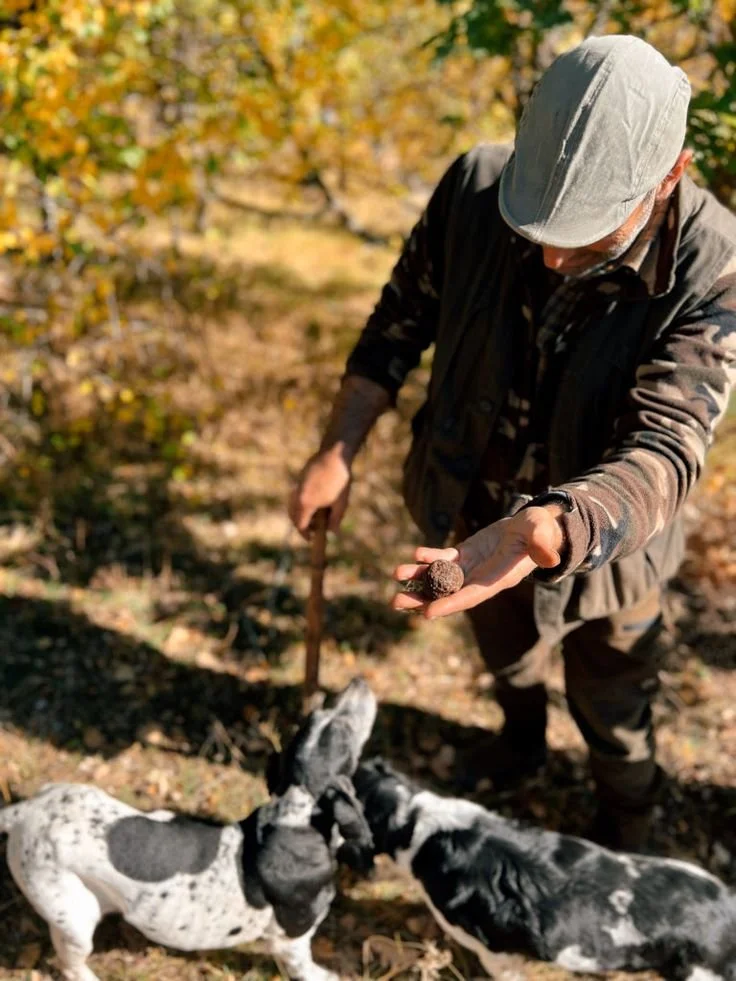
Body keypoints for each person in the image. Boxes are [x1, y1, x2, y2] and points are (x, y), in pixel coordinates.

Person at [288, 35, 736, 851]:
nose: (555, 254)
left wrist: (555, 528)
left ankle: (627, 824)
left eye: (591, 232)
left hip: (609, 546)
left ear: (669, 175)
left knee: (615, 698)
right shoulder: (474, 186)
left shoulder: (715, 263)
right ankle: (519, 745)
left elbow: (668, 447)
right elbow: (396, 326)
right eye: (538, 226)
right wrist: (337, 449)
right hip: (473, 505)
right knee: (510, 660)